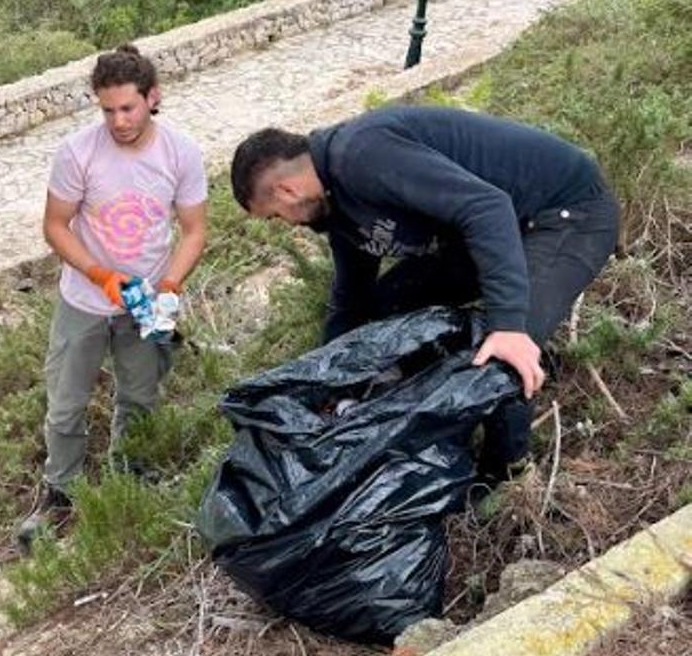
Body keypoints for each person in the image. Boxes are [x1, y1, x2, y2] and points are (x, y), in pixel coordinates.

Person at [229, 105, 619, 481]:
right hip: (490, 233)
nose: (286, 225)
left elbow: (487, 208)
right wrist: (330, 380)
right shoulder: (336, 204)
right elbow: (352, 296)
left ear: (286, 189)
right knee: (389, 304)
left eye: (276, 216)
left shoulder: (362, 155)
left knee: (500, 354)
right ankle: (417, 403)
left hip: (562, 215)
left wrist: (509, 324)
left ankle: (506, 475)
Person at [16, 45, 209, 552]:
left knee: (140, 399)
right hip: (85, 299)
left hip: (147, 303)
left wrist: (169, 287)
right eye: (107, 110)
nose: (118, 121)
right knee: (65, 405)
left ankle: (131, 480)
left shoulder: (180, 153)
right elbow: (55, 226)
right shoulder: (78, 153)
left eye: (128, 108)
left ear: (152, 97)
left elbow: (192, 230)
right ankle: (60, 495)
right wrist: (100, 274)